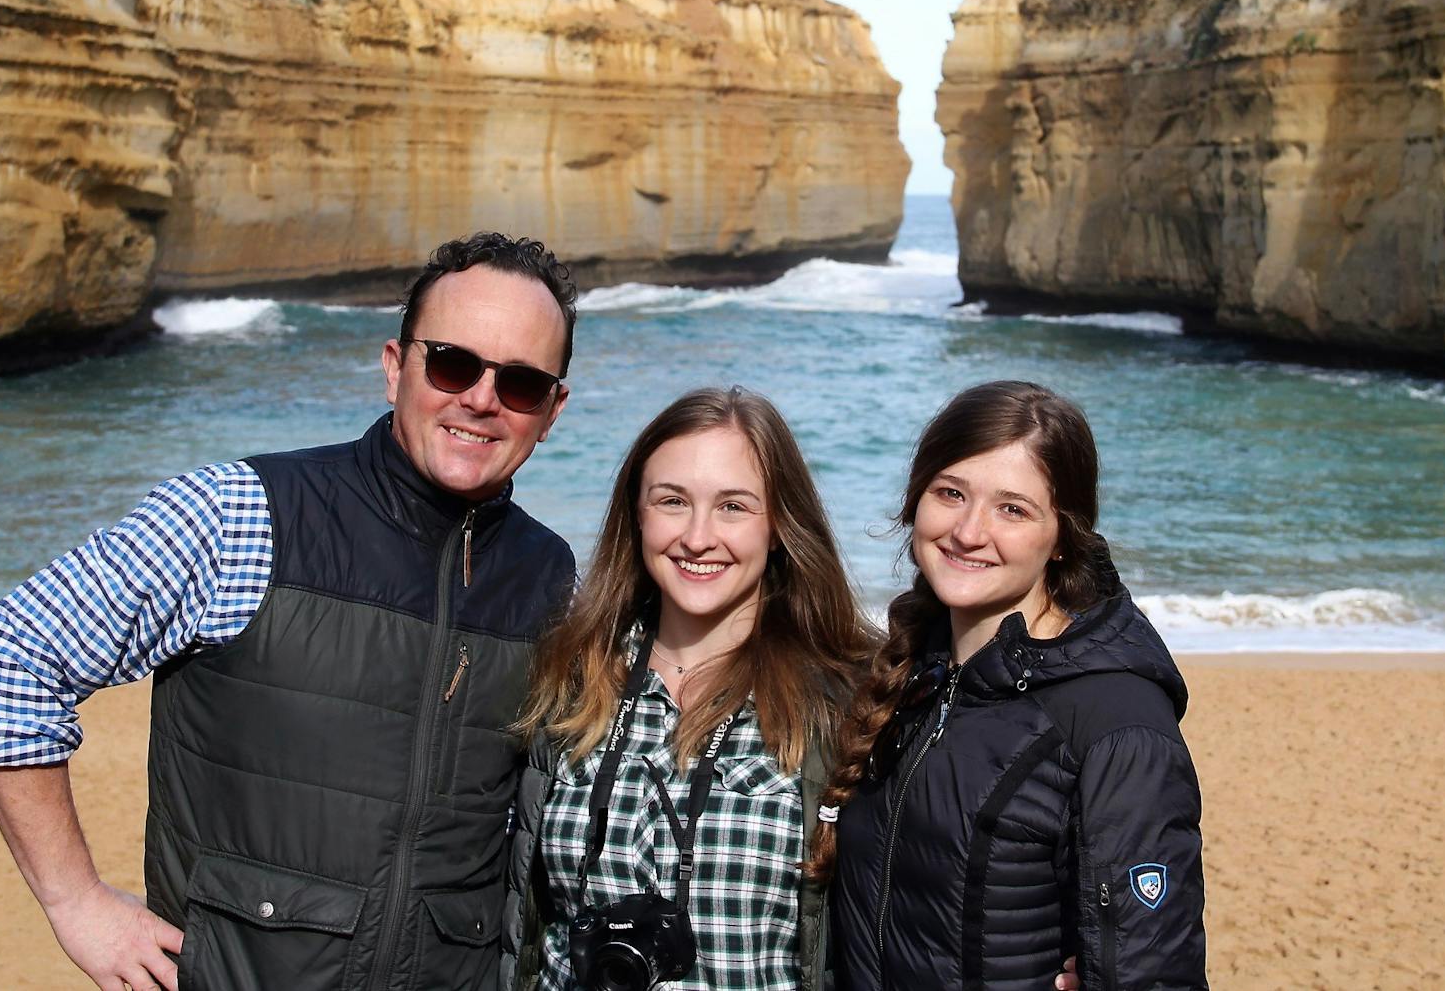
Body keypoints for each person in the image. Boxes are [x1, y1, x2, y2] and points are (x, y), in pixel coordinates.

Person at [0, 232, 580, 991]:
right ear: (393, 367)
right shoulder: (238, 515)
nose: (480, 397)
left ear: (552, 411)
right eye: (451, 363)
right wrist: (75, 901)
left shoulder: (551, 578)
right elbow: (7, 663)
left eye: (521, 383)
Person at [816, 381, 1207, 991]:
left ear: (1062, 537)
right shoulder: (910, 676)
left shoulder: (1115, 722)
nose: (969, 532)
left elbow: (1153, 972)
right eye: (950, 493)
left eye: (1013, 509)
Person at [500, 386, 873, 991]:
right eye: (673, 501)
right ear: (638, 514)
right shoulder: (570, 679)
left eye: (733, 507)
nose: (698, 538)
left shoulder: (842, 704)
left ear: (778, 525)